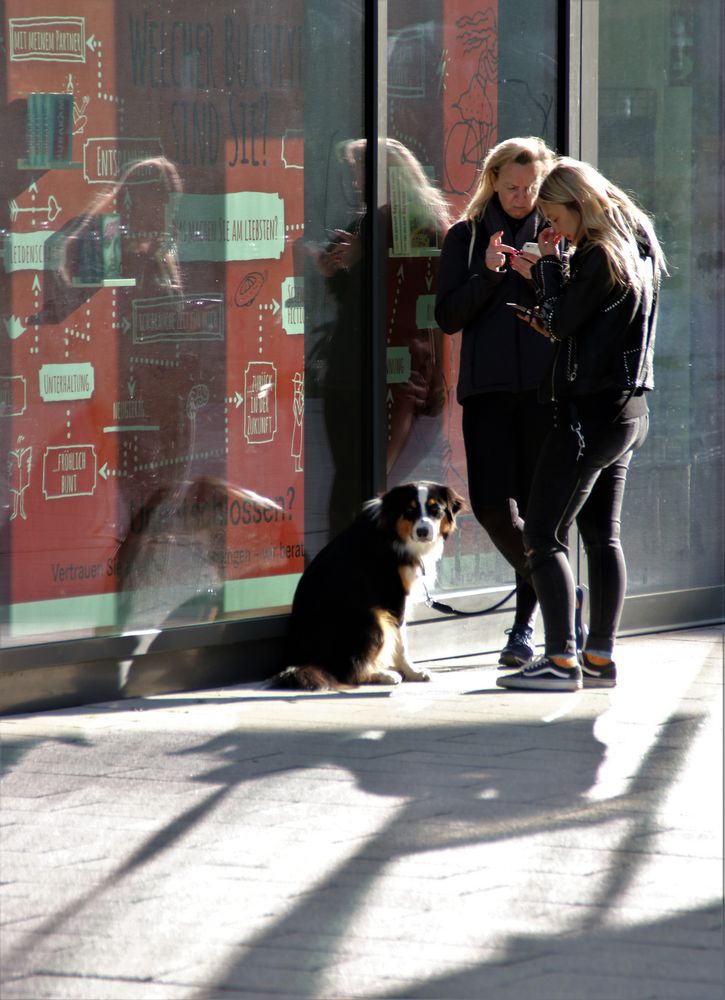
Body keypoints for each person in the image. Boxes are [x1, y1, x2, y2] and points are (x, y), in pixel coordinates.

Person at [497, 157, 666, 691]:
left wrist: (543, 271)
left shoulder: (600, 255)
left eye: (554, 215)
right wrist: (556, 271)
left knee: (543, 533)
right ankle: (598, 658)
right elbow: (593, 319)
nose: (553, 228)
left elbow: (559, 321)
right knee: (600, 536)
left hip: (587, 413)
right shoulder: (638, 245)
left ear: (578, 203)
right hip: (628, 411)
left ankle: (560, 659)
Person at [434, 136, 557, 666]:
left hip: (542, 393)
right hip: (486, 392)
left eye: (531, 188)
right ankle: (558, 591)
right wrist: (489, 273)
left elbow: (573, 311)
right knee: (490, 508)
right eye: (511, 186)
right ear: (492, 180)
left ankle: (524, 629)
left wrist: (544, 271)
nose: (521, 196)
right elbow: (447, 316)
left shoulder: (557, 235)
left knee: (538, 512)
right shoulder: (464, 237)